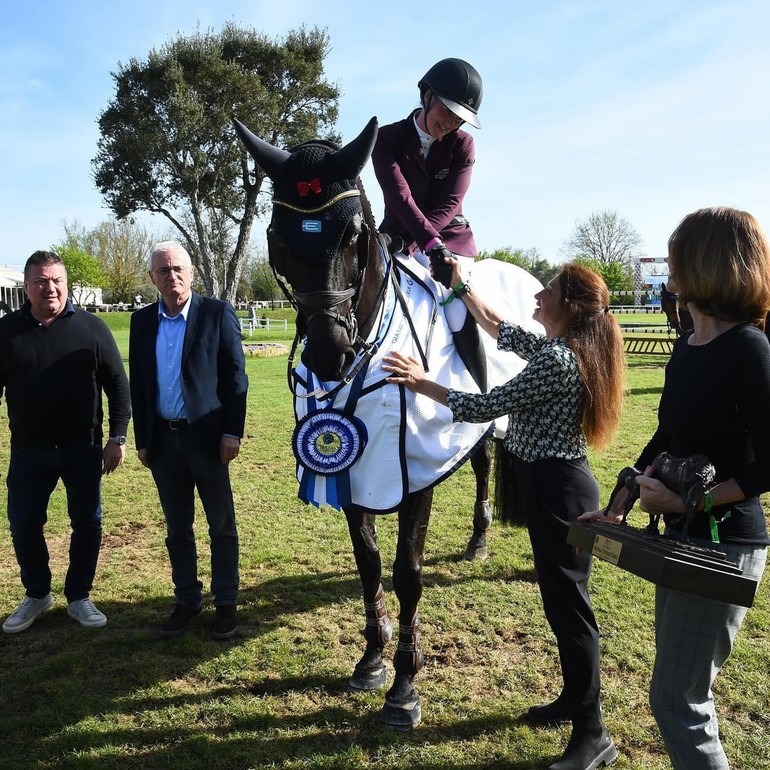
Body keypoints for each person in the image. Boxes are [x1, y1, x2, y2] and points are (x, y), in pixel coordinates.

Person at [383, 259, 624, 770]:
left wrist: (421, 381)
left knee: (571, 611)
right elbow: (497, 327)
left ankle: (592, 732)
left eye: (549, 291)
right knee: (560, 607)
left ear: (571, 307)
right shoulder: (561, 348)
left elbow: (487, 404)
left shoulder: (559, 361)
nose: (538, 297)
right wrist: (462, 285)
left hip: (560, 493)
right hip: (550, 486)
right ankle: (572, 704)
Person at [581, 207, 770, 770]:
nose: (670, 268)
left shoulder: (749, 350)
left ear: (707, 262)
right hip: (684, 539)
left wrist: (693, 500)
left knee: (677, 700)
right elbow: (667, 435)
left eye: (677, 255)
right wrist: (620, 503)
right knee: (680, 691)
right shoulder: (688, 346)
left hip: (726, 545)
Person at [0, 250, 130, 633]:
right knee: (23, 524)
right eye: (41, 281)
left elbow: (118, 387)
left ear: (66, 284)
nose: (50, 287)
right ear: (26, 287)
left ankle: (79, 597)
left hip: (83, 449)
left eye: (56, 280)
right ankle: (38, 593)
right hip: (28, 450)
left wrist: (117, 437)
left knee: (87, 524)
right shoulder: (6, 332)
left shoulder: (91, 328)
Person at [129, 241, 248, 640]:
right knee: (177, 528)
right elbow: (140, 386)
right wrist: (143, 439)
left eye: (178, 268)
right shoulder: (141, 322)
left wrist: (232, 431)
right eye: (163, 271)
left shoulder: (216, 314)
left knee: (221, 525)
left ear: (192, 272)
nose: (171, 276)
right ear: (152, 278)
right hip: (163, 442)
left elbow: (236, 379)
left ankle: (226, 603)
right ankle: (187, 601)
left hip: (208, 440)